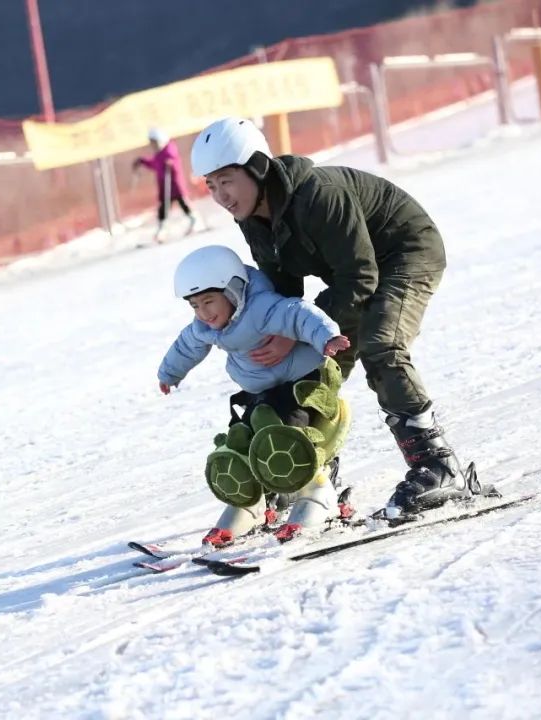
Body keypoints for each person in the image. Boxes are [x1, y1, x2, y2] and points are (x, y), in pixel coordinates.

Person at [189, 117, 492, 518]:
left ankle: (437, 466)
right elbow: (284, 291)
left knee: (379, 341)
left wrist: (300, 331)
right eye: (211, 185)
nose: (220, 195)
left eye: (226, 179)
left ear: (257, 167)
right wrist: (279, 338)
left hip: (404, 254)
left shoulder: (319, 195)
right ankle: (307, 472)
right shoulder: (252, 217)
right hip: (350, 274)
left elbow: (362, 276)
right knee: (308, 361)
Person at [159, 244, 353, 546]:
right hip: (260, 391)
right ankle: (251, 504)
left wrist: (326, 337)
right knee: (243, 439)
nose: (204, 313)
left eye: (209, 301)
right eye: (195, 305)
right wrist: (169, 373)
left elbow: (299, 316)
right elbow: (187, 345)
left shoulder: (261, 309)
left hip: (300, 385)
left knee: (285, 437)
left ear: (234, 291)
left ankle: (319, 494)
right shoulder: (206, 326)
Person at [132, 128, 198, 241]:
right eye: (152, 144)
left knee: (183, 204)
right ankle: (161, 230)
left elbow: (172, 159)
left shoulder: (169, 150)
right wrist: (142, 161)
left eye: (155, 143)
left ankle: (194, 221)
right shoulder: (158, 154)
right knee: (163, 209)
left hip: (175, 186)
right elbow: (154, 165)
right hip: (164, 187)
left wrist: (170, 163)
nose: (153, 146)